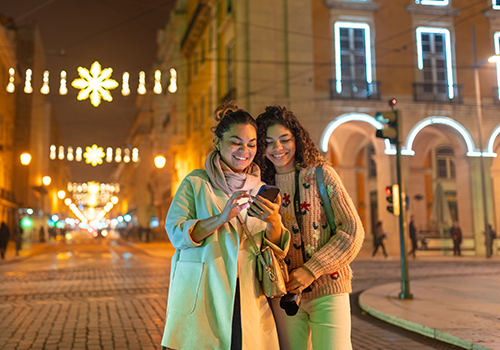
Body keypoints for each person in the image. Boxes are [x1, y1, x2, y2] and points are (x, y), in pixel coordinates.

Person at [161, 103, 290, 350]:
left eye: (251, 144)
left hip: (249, 294)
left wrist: (274, 221)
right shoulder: (197, 182)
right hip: (205, 290)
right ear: (218, 143)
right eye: (236, 142)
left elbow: (275, 247)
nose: (244, 150)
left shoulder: (259, 188)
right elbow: (176, 233)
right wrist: (220, 218)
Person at [255, 106, 364, 350]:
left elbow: (353, 231)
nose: (278, 149)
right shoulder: (260, 186)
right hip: (283, 294)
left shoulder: (322, 175)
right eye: (269, 142)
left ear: (297, 139)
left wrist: (312, 270)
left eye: (285, 140)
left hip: (329, 288)